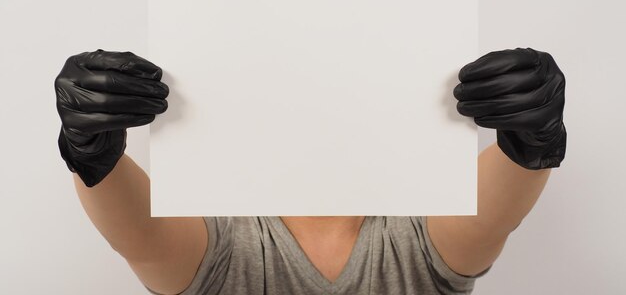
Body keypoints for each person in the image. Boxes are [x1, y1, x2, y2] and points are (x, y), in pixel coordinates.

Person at [54, 48, 566, 295]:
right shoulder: (229, 242)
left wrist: (530, 139)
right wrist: (92, 149)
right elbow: (140, 237)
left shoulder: (411, 238)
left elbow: (488, 219)